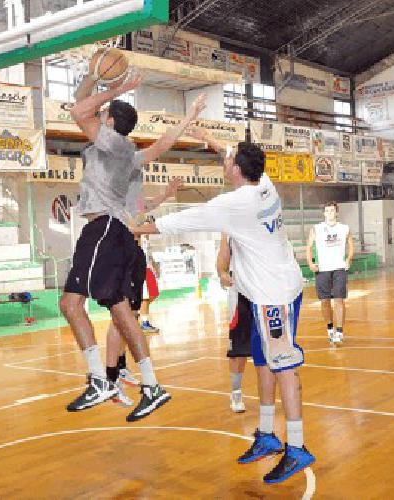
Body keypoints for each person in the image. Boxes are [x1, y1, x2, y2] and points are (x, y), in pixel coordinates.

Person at [128, 135, 316, 484]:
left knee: (283, 367)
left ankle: (298, 446)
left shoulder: (236, 203)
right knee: (262, 363)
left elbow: (180, 220)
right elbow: (232, 152)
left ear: (237, 170)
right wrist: (208, 137)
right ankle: (266, 434)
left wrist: (132, 229)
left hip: (274, 295)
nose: (224, 161)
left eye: (229, 160)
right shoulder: (265, 184)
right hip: (264, 292)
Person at [58, 63, 206, 421]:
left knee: (71, 305)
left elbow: (80, 109)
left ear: (109, 121)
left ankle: (101, 379)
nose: (99, 112)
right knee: (121, 312)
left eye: (104, 113)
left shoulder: (112, 143)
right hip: (119, 233)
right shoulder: (127, 153)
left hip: (103, 229)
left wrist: (116, 86)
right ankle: (151, 385)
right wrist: (189, 116)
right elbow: (162, 144)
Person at [104, 178, 183, 407]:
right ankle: (112, 377)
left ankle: (120, 367)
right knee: (122, 317)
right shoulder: (112, 201)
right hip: (119, 262)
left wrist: (167, 194)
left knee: (131, 317)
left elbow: (144, 207)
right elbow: (130, 224)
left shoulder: (131, 199)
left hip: (133, 261)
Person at [305, 202, 354, 345]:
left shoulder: (344, 228)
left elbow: (351, 245)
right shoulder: (316, 229)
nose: (330, 213)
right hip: (322, 269)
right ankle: (330, 328)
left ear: (336, 213)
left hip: (339, 268)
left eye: (332, 210)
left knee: (339, 300)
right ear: (324, 213)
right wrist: (310, 263)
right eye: (327, 211)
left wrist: (348, 259)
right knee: (325, 301)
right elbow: (309, 246)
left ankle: (339, 332)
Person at [217, 233, 249, 413]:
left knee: (270, 346)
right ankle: (236, 393)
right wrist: (222, 272)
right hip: (239, 292)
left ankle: (268, 393)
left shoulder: (264, 221)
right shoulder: (228, 229)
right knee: (238, 350)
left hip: (263, 291)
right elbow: (223, 257)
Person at [138, 234, 162, 333]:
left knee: (153, 294)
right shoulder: (137, 238)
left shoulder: (146, 240)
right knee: (146, 297)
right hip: (141, 269)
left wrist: (155, 265)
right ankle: (144, 323)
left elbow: (149, 255)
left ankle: (139, 313)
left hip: (148, 268)